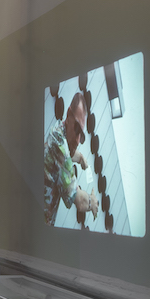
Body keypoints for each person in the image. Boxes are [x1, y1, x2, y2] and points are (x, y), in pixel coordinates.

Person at [44, 92, 99, 225]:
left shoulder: (58, 130)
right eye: (76, 128)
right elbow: (79, 201)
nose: (78, 140)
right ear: (68, 114)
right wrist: (92, 202)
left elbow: (67, 154)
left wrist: (80, 158)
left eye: (82, 134)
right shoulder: (60, 146)